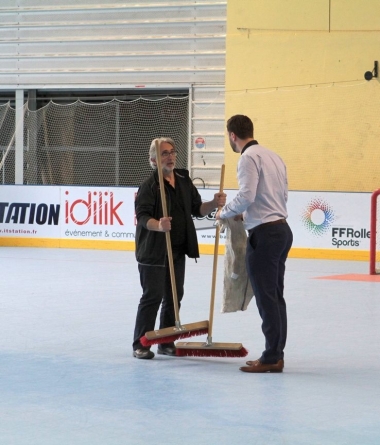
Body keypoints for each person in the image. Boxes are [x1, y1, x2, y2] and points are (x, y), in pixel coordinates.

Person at [133, 137, 226, 359]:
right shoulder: (150, 186)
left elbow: (197, 209)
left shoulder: (183, 179)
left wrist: (213, 203)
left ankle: (165, 341)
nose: (170, 156)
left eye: (172, 152)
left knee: (175, 295)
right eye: (164, 153)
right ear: (153, 160)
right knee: (152, 296)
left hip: (176, 249)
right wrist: (159, 225)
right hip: (153, 252)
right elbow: (142, 216)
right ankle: (140, 344)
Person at [216, 115, 293, 373]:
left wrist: (224, 212)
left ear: (232, 136)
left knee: (266, 298)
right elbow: (280, 195)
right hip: (281, 230)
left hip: (266, 235)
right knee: (275, 296)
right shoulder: (273, 156)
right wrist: (246, 214)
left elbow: (247, 194)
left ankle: (272, 358)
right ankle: (275, 353)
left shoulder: (247, 158)